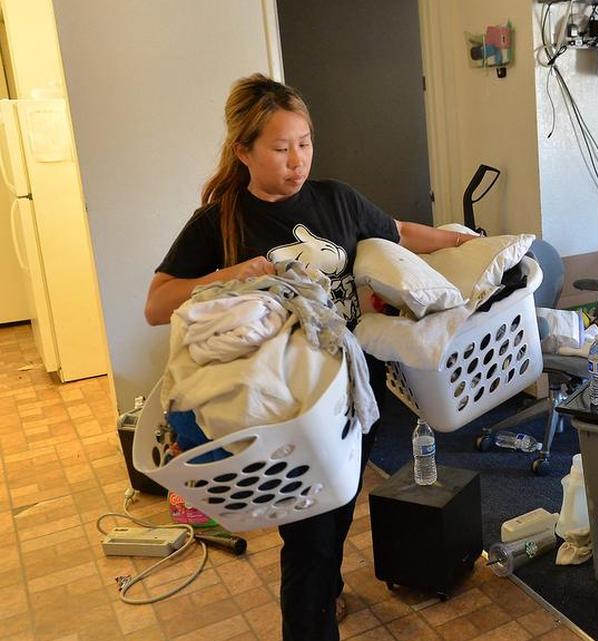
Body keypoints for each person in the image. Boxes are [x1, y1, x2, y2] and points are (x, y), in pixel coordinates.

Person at [144, 73, 476, 641]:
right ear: (243, 151)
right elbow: (157, 303)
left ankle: (328, 591)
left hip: (351, 394)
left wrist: (457, 242)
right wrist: (236, 274)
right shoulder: (220, 219)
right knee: (311, 541)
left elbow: (394, 231)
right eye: (280, 148)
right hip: (286, 408)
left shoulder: (336, 199)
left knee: (334, 512)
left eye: (305, 142)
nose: (297, 160)